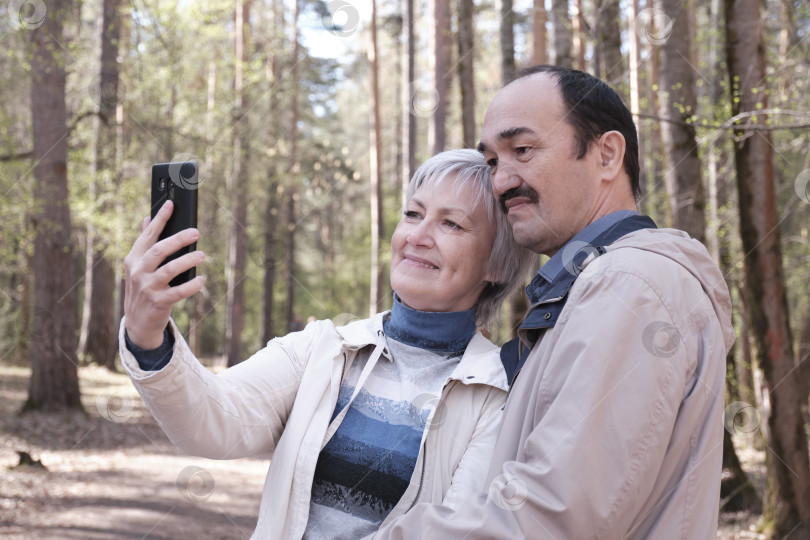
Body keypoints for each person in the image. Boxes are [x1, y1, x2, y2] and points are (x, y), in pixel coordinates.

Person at [371, 66, 735, 539]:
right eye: (493, 162)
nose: (501, 182)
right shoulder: (599, 286)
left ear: (607, 154)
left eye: (522, 150)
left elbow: (553, 515)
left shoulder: (627, 285)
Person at [119, 149, 535, 539]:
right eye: (413, 214)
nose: (418, 236)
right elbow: (213, 423)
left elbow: (455, 531)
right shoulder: (324, 348)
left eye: (451, 224)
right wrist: (147, 334)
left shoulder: (500, 394)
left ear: (496, 264)